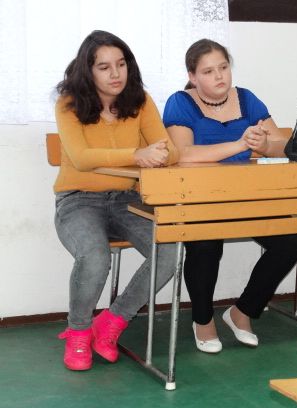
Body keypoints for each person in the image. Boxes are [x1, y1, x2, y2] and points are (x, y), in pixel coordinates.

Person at [163, 39, 297, 352]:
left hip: (246, 197)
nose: (219, 76)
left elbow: (284, 145)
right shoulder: (179, 102)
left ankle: (242, 312)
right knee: (205, 242)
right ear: (192, 76)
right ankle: (203, 320)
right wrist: (240, 144)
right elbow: (183, 154)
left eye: (224, 67)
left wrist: (264, 145)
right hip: (199, 199)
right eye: (208, 71)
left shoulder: (247, 99)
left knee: (292, 238)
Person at [54, 30, 178, 371]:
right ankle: (79, 331)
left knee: (169, 250)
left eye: (121, 64)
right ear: (88, 70)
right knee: (95, 257)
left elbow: (171, 150)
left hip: (127, 199)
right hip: (78, 201)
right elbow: (81, 158)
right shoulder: (69, 103)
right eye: (104, 67)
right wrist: (137, 155)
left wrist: (159, 154)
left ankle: (112, 322)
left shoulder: (140, 100)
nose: (115, 74)